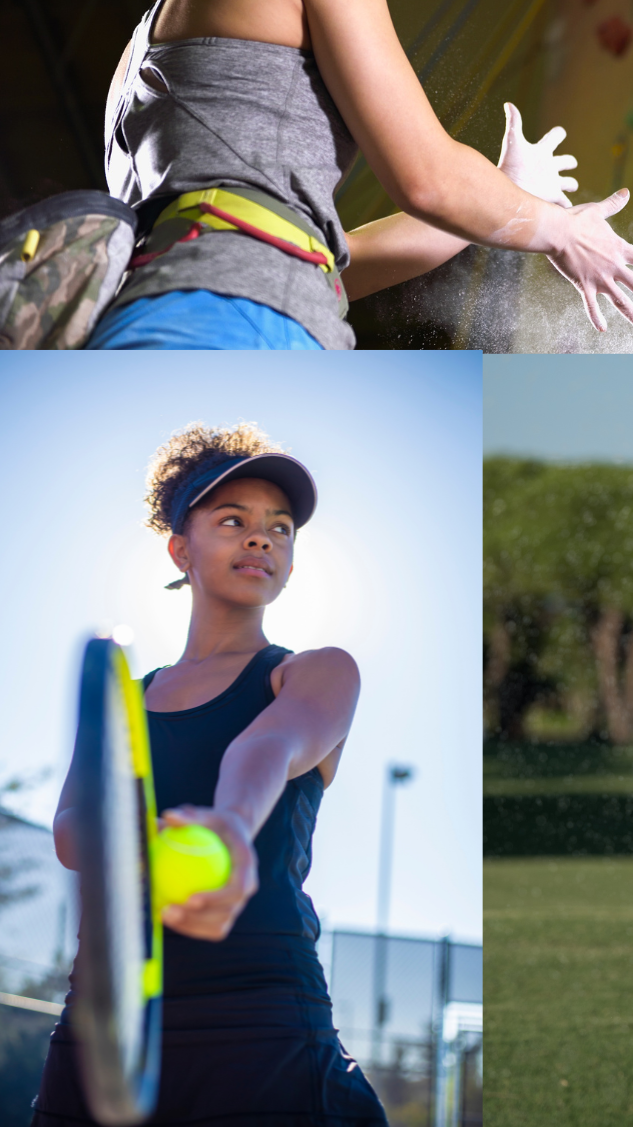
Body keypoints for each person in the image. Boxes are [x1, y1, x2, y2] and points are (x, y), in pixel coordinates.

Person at [83, 0, 633, 349]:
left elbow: (332, 266)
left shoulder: (136, 55)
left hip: (145, 320)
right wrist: (564, 231)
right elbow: (427, 180)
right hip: (237, 315)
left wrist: (506, 193)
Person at [33, 422, 387, 1125]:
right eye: (233, 521)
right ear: (180, 549)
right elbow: (71, 830)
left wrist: (228, 827)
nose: (262, 540)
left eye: (280, 528)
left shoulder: (318, 671)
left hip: (261, 1021)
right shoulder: (124, 702)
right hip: (104, 1021)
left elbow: (267, 748)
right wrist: (149, 845)